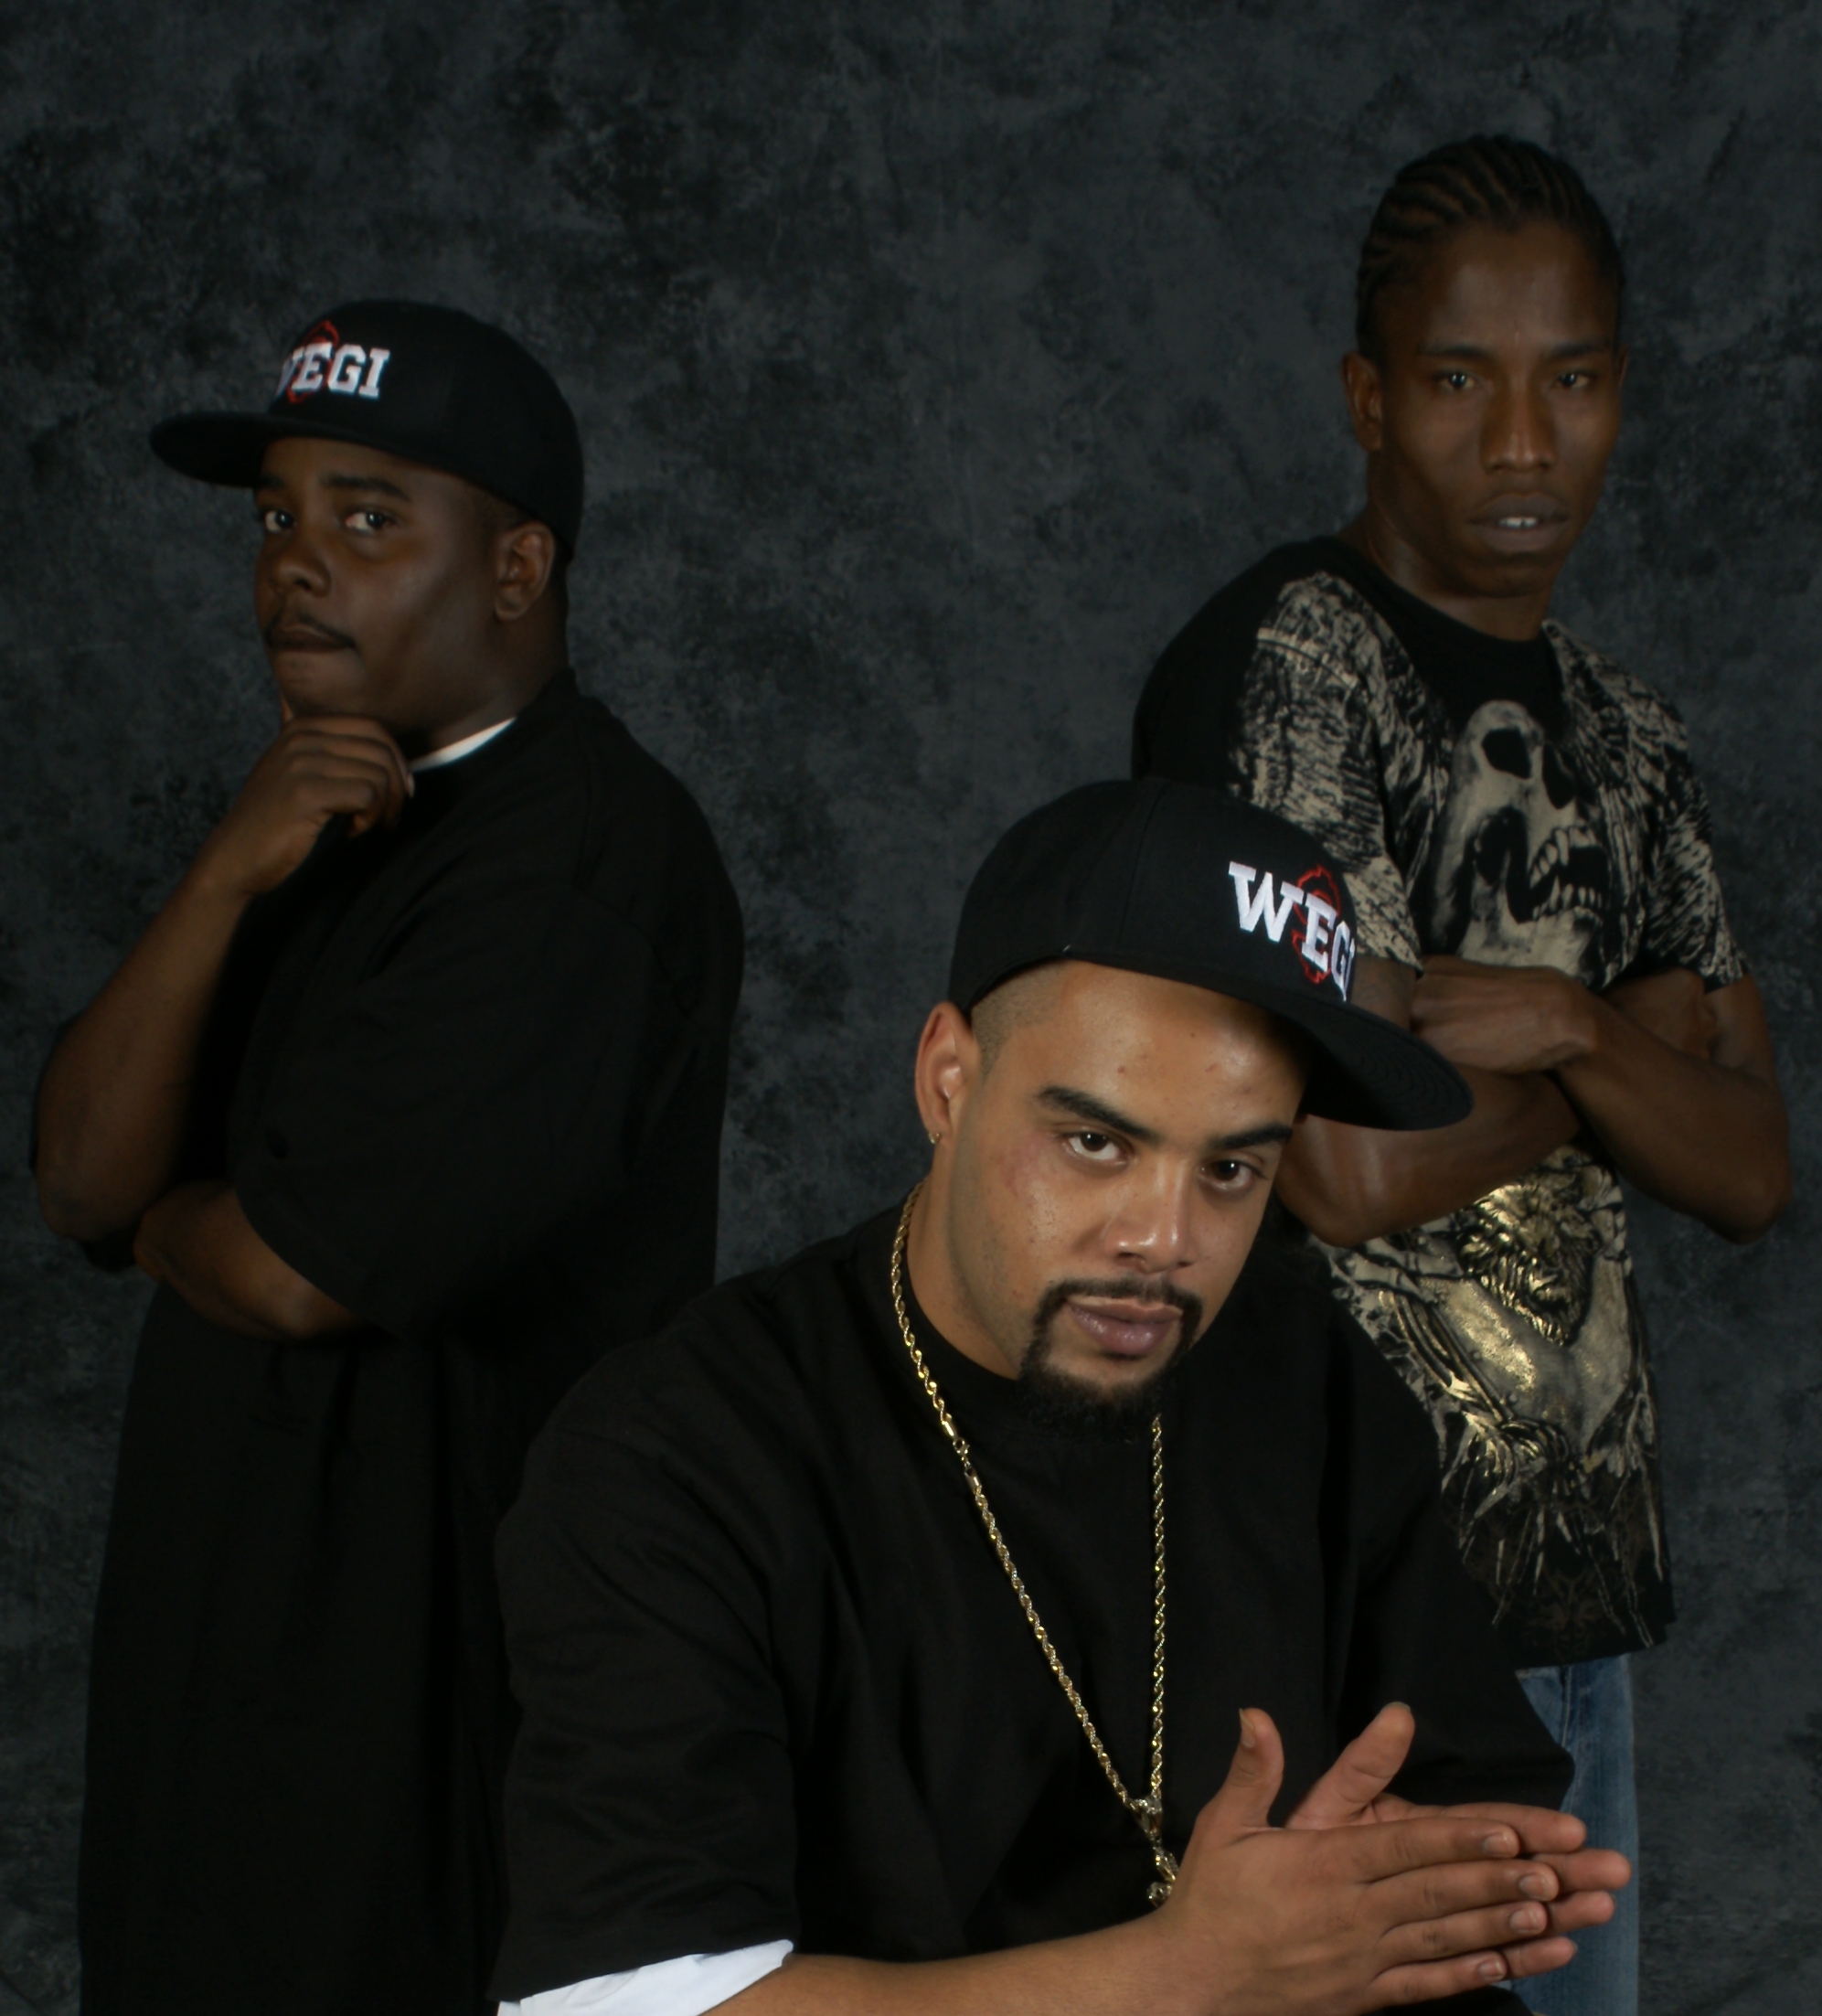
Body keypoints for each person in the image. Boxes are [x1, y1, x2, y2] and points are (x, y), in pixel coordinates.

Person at [491, 778, 1631, 2016]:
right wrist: (1193, 1973)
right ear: (946, 1078)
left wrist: (1407, 1896)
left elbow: (1468, 1834)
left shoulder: (1302, 1370)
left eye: (1231, 1167)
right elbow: (623, 2004)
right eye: (1097, 1142)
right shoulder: (677, 1451)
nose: (1163, 1240)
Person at [1130, 137, 1792, 2016]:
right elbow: (1334, 1169)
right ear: (1366, 397)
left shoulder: (1632, 736)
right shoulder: (1293, 664)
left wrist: (1558, 1026)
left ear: (1620, 391)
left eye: (1568, 378)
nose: (1520, 441)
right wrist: (1623, 1054)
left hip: (1566, 1611)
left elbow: (1749, 1165)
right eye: (1456, 378)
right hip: (1324, 1604)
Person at [32, 300, 743, 2015]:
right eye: (277, 515)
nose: (296, 562)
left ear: (515, 567)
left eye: (367, 517)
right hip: (227, 1651)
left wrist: (163, 1225)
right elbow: (74, 1172)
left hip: (421, 1700)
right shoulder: (315, 816)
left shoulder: (583, 856)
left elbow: (296, 1270)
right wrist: (223, 872)